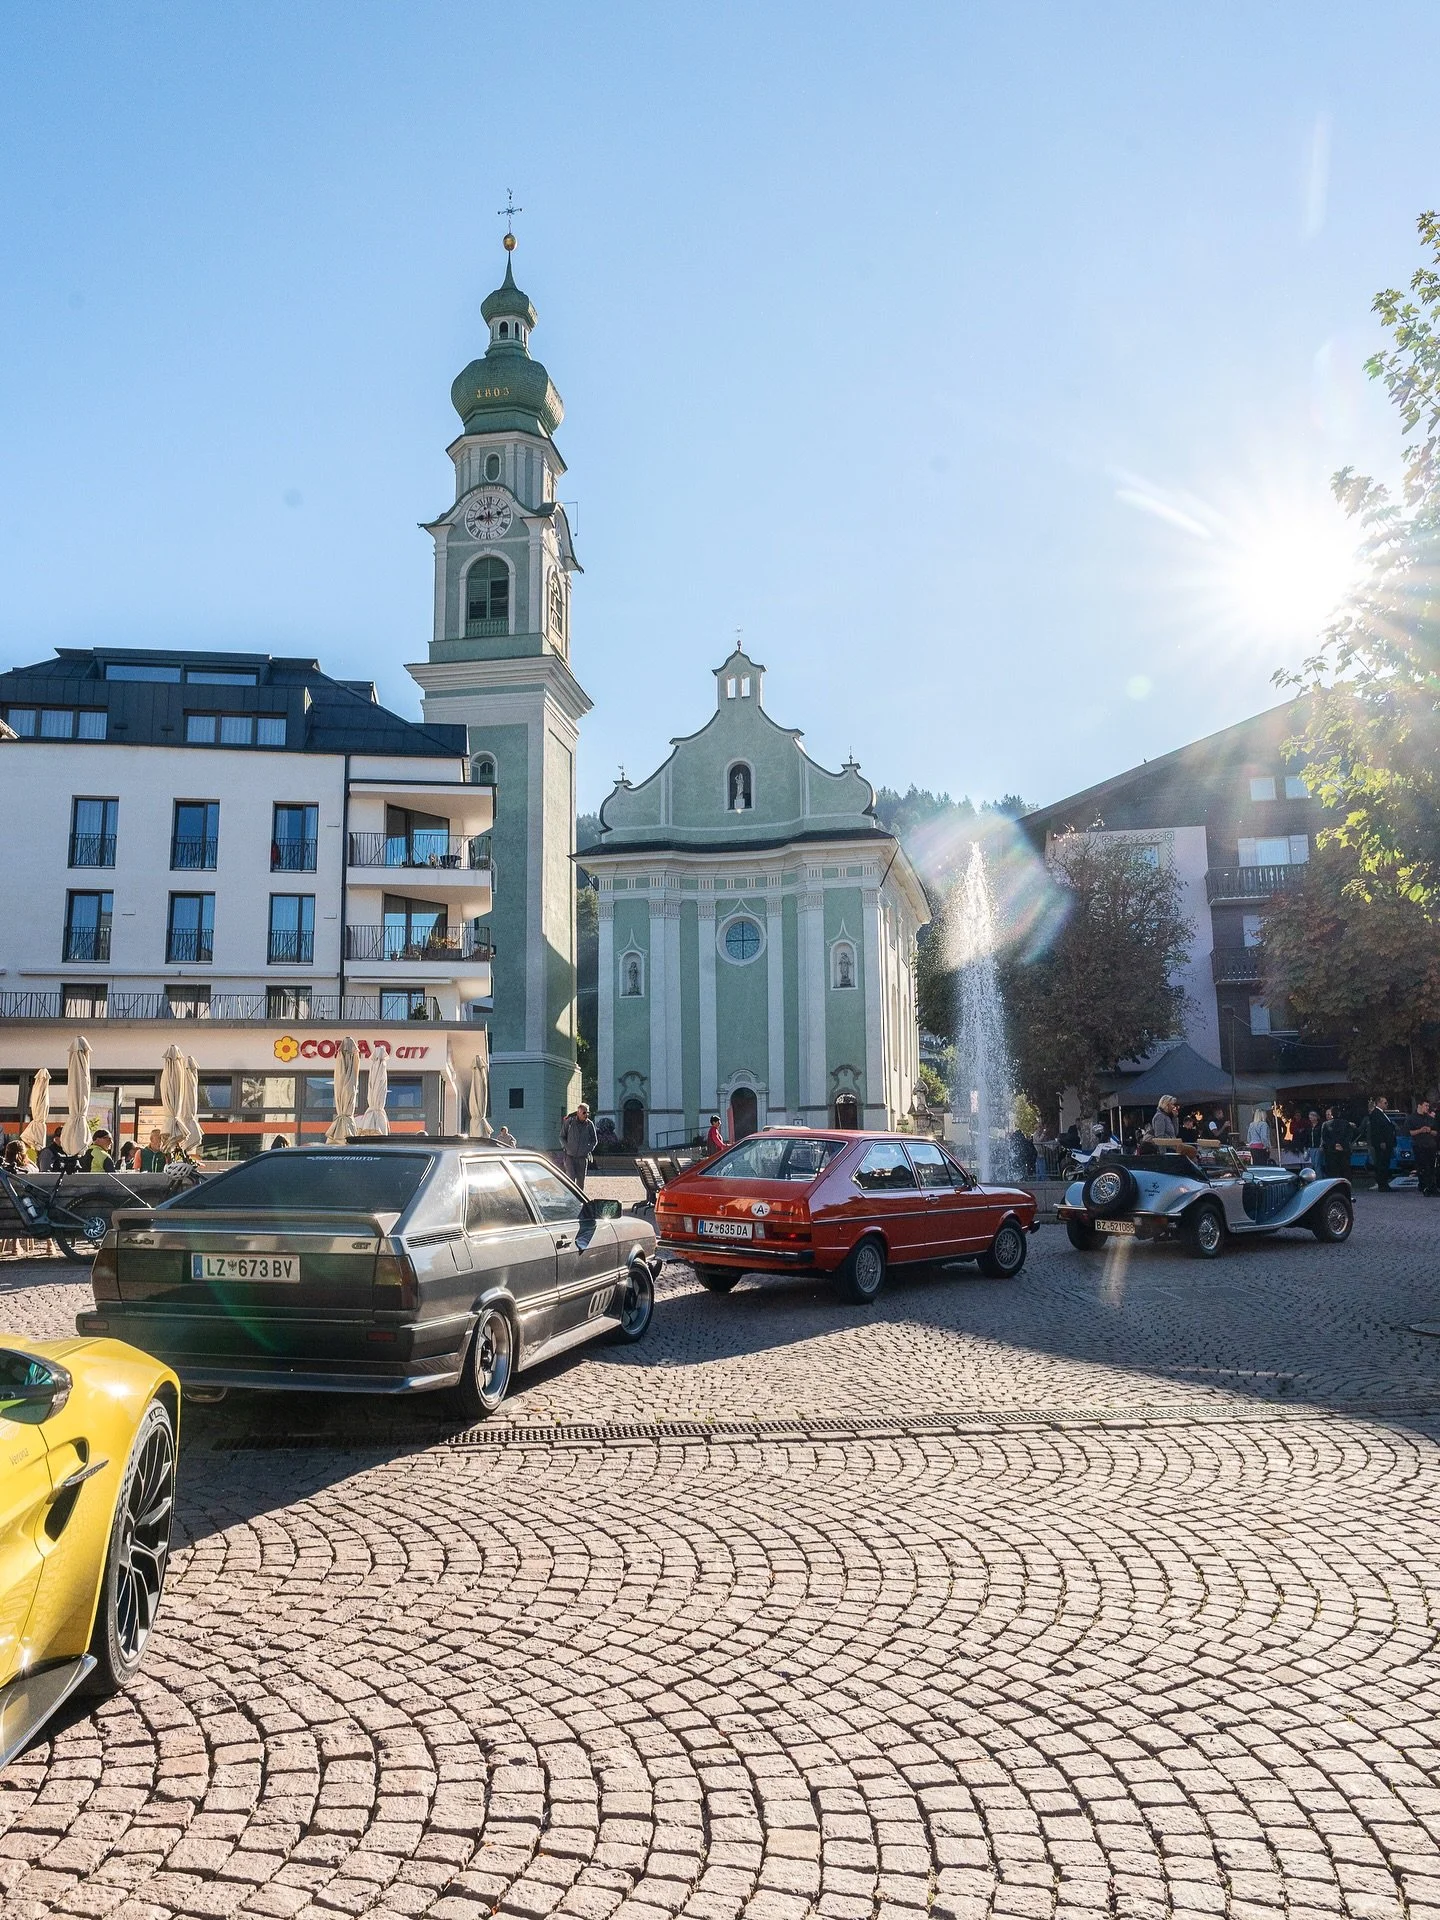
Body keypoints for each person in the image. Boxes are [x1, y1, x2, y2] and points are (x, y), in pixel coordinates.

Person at [559, 1102, 598, 1190]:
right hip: (570, 1156)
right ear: (578, 1113)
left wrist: (587, 1149)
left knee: (580, 1181)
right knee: (570, 1178)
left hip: (582, 1157)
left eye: (587, 1113)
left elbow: (594, 1140)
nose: (586, 1115)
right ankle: (570, 1198)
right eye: (584, 1113)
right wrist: (566, 1147)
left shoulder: (590, 1124)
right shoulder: (569, 1122)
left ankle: (580, 1200)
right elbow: (561, 1136)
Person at [1367, 1096, 1397, 1191]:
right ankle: (1382, 1184)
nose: (1387, 1104)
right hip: (1381, 1143)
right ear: (1379, 1103)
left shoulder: (1382, 1114)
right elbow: (1377, 1129)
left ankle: (1384, 1183)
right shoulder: (1376, 1114)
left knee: (1385, 1163)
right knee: (1381, 1163)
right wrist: (1381, 1141)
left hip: (1387, 1142)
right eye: (1385, 1103)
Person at [1411, 1100, 1439, 1195]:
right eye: (1426, 1105)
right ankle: (1425, 1187)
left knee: (1431, 1168)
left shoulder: (1430, 1119)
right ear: (1419, 1105)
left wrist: (1429, 1131)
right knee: (1423, 1168)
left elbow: (1436, 1132)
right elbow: (1409, 1132)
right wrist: (1420, 1130)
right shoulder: (1412, 1118)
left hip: (1431, 1146)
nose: (1427, 1108)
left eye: (1428, 1106)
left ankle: (1432, 1187)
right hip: (1419, 1146)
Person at [1321, 1106, 1352, 1180]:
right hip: (1343, 1150)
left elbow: (1325, 1138)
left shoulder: (1326, 1124)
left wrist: (1334, 1145)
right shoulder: (1346, 1123)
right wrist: (1342, 1145)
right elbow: (1349, 1136)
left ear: (1332, 1114)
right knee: (1345, 1171)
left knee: (1332, 1172)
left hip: (1331, 1151)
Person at [1297, 1108, 1325, 1173]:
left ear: (1316, 1117)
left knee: (1317, 1164)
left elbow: (1322, 1136)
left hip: (1318, 1147)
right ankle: (1315, 1178)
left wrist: (1322, 1145)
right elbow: (1307, 1137)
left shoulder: (1321, 1126)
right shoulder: (1309, 1127)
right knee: (1313, 1164)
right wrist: (1305, 1146)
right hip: (1311, 1147)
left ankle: (1319, 1178)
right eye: (1310, 1116)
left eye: (1312, 1116)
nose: (1310, 1118)